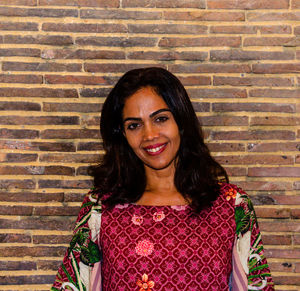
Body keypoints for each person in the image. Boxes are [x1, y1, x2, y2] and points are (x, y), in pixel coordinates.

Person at [51, 67, 274, 291]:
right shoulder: (100, 208)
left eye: (160, 119)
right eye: (134, 125)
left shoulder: (231, 204)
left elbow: (256, 286)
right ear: (123, 135)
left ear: (181, 121)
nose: (149, 135)